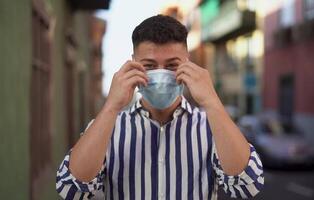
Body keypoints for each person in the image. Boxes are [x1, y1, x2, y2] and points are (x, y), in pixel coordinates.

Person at [56, 15, 264, 199]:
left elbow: (248, 187)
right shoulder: (109, 127)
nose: (162, 74)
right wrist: (111, 106)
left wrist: (212, 101)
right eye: (149, 66)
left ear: (188, 63)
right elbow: (71, 191)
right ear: (133, 64)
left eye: (173, 65)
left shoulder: (210, 127)